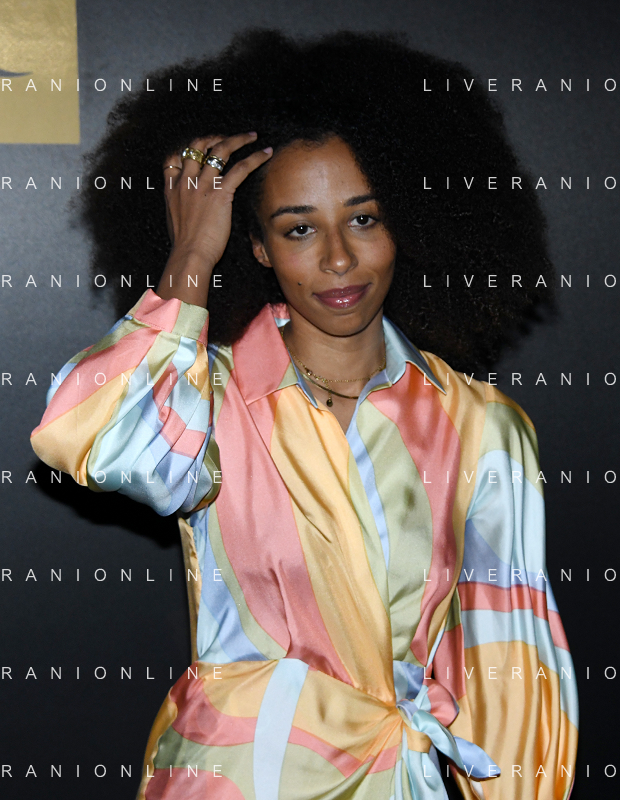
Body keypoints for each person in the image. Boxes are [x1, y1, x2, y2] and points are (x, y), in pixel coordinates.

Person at [31, 29, 577, 800]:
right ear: (255, 248)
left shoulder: (480, 427)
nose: (338, 258)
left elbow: (509, 661)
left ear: (408, 222)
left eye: (364, 219)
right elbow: (95, 441)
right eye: (297, 229)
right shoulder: (205, 398)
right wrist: (189, 262)